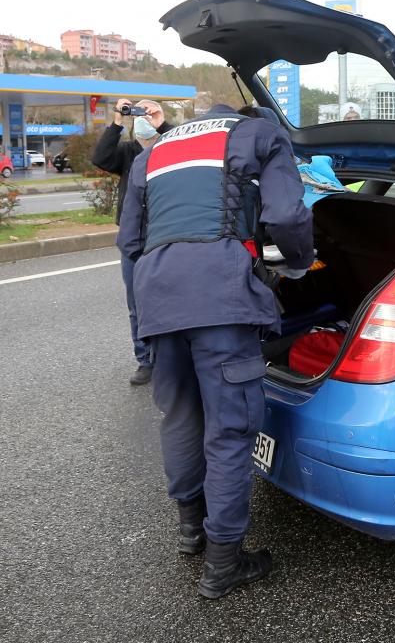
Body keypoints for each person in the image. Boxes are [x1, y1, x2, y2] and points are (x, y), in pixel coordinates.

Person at [117, 102, 313, 599]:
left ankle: (190, 529)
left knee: (181, 416)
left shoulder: (155, 150)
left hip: (158, 297)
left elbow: (129, 241)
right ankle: (224, 562)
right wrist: (297, 263)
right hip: (221, 298)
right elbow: (287, 215)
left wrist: (148, 304)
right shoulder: (260, 135)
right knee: (229, 430)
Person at [92, 98, 173, 385]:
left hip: (167, 238)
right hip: (133, 240)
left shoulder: (171, 148)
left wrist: (162, 124)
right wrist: (117, 121)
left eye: (148, 112)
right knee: (136, 304)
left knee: (171, 299)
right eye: (137, 112)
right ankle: (145, 359)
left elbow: (189, 144)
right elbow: (100, 157)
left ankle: (172, 358)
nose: (142, 116)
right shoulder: (127, 153)